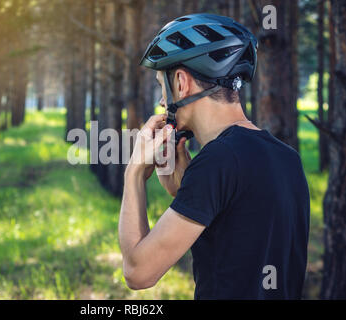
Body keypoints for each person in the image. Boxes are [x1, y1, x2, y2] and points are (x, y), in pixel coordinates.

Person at [118, 14, 310, 299]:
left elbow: (137, 273)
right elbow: (241, 239)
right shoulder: (287, 158)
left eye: (162, 85)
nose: (161, 101)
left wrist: (133, 173)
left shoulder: (217, 161)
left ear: (181, 82)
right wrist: (184, 187)